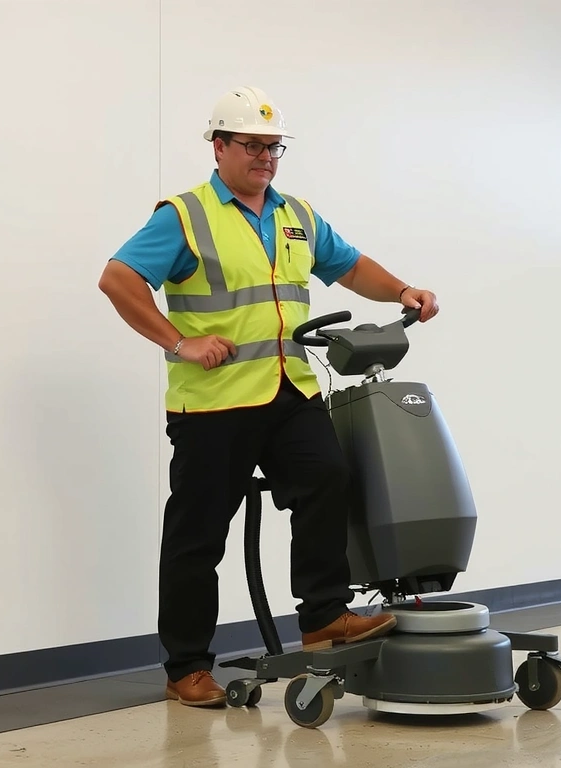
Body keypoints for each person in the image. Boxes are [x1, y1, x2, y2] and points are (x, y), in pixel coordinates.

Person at [98, 86, 439, 707]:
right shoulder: (185, 215)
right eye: (251, 146)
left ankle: (323, 618)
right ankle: (187, 668)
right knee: (198, 538)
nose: (265, 158)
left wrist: (402, 291)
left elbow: (350, 265)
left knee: (328, 480)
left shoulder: (296, 215)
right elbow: (118, 279)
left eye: (273, 147)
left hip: (289, 390)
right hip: (214, 405)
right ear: (219, 146)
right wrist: (178, 343)